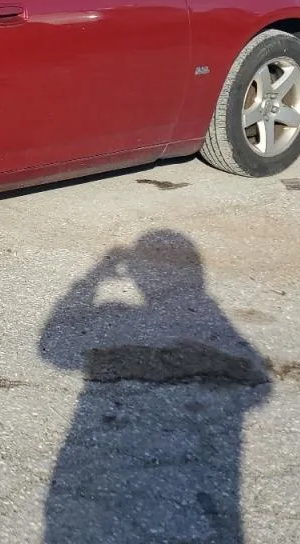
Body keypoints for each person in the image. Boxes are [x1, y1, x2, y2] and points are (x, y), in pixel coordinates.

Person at [38, 231, 271, 543]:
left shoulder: (201, 311)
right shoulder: (207, 310)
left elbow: (53, 351)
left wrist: (91, 280)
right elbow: (261, 389)